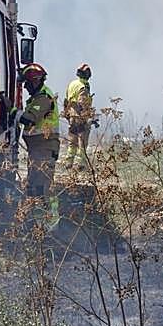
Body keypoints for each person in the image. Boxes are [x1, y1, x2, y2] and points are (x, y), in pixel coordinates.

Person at [17, 63, 60, 227]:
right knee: (34, 187)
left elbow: (29, 119)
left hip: (44, 148)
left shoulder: (43, 98)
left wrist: (11, 111)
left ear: (35, 81)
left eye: (27, 83)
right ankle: (36, 224)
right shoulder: (38, 98)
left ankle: (50, 226)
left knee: (43, 188)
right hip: (38, 150)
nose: (26, 87)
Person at [63, 62, 95, 172]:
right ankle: (80, 166)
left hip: (72, 117)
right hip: (80, 118)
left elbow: (66, 101)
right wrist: (88, 117)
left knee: (72, 142)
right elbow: (82, 104)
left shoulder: (72, 84)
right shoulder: (83, 87)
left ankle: (68, 163)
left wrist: (68, 115)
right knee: (82, 143)